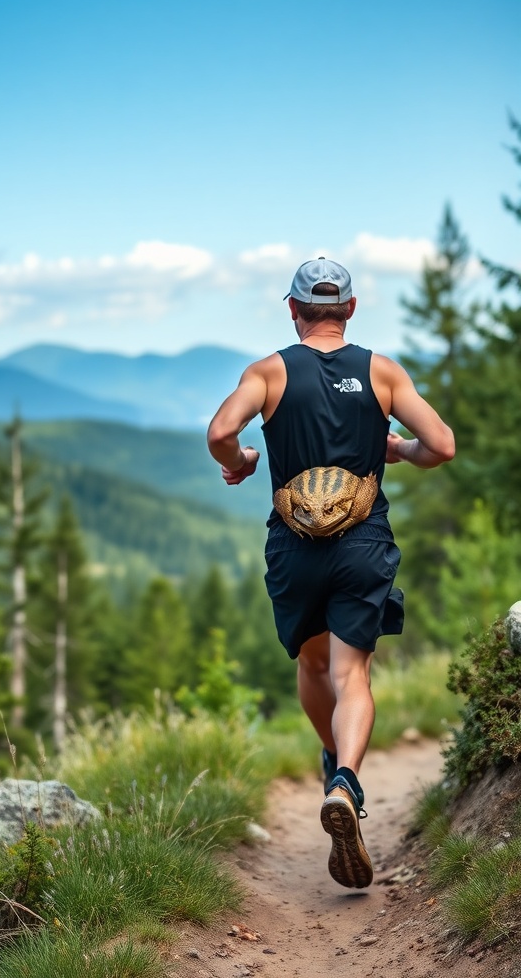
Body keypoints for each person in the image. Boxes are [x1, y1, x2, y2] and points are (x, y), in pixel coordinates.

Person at [206, 257, 455, 890]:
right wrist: (398, 448)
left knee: (314, 667)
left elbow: (219, 432)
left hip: (294, 546)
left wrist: (241, 461)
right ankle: (346, 777)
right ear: (349, 308)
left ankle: (332, 766)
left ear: (292, 309)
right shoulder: (382, 371)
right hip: (362, 542)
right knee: (352, 674)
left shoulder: (267, 372)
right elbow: (442, 446)